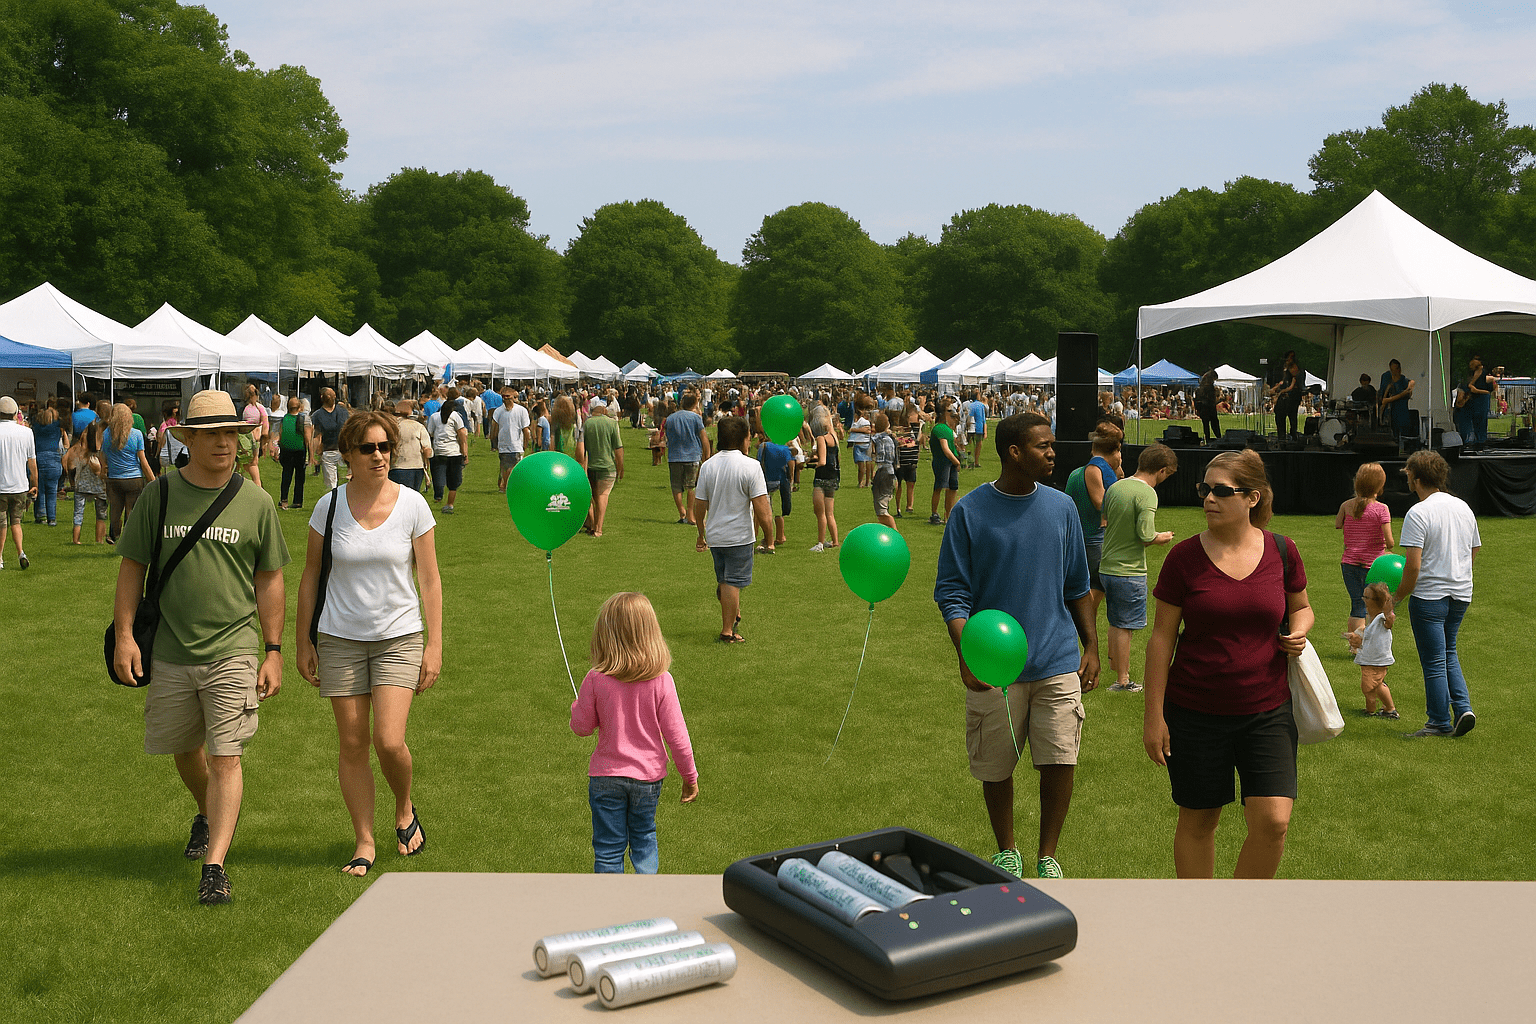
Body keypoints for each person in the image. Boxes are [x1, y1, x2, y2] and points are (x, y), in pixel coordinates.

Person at [111, 390, 289, 905]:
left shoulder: (255, 502)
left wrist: (272, 649)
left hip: (234, 646)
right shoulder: (159, 495)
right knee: (184, 750)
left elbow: (271, 579)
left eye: (231, 433)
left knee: (226, 754)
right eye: (213, 434)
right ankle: (208, 813)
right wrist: (125, 635)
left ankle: (215, 866)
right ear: (187, 438)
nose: (225, 443)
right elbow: (132, 571)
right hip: (168, 649)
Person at [934, 412, 1099, 879]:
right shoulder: (970, 510)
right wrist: (967, 650)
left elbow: (1078, 585)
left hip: (1056, 659)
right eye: (1043, 446)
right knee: (995, 765)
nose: (1052, 453)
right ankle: (1007, 849)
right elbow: (952, 592)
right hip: (994, 664)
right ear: (1014, 452)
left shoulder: (1062, 507)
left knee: (1059, 758)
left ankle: (1048, 856)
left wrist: (1091, 645)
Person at [1142, 450, 1312, 880]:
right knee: (1200, 821)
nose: (1208, 498)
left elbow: (1303, 607)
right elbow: (1161, 640)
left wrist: (1300, 628)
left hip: (1267, 710)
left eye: (1221, 490)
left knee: (1273, 821)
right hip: (1195, 712)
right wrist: (1153, 717)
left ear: (1252, 498)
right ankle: (1202, 918)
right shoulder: (1183, 558)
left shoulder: (1282, 550)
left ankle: (1240, 915)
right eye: (1205, 489)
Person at [296, 411, 443, 876]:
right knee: (353, 743)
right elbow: (311, 575)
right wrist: (301, 641)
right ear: (349, 456)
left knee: (388, 740)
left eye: (385, 447)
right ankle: (363, 840)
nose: (379, 456)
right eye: (368, 449)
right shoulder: (329, 506)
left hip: (399, 636)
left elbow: (431, 580)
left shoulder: (413, 505)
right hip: (339, 638)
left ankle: (404, 806)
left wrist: (433, 646)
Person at [569, 592, 699, 873]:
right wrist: (690, 777)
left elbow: (581, 727)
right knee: (644, 839)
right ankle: (644, 904)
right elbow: (678, 738)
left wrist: (576, 707)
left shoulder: (595, 678)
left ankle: (610, 906)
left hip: (606, 778)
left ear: (605, 635)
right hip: (647, 779)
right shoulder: (662, 681)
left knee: (607, 848)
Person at [1394, 450, 1480, 739]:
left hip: (1429, 596)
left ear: (1416, 478)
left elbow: (1413, 565)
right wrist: (1455, 569)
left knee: (1433, 661)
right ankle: (1463, 708)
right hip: (1460, 593)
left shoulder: (1418, 512)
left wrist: (1396, 598)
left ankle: (1439, 722)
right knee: (1448, 652)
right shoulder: (1463, 507)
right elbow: (1474, 549)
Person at [1098, 444, 1178, 692]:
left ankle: (1115, 667)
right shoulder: (1147, 494)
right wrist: (1161, 537)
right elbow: (1144, 535)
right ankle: (1122, 680)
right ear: (1162, 470)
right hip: (1128, 570)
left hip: (1107, 566)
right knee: (1125, 626)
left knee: (1115, 621)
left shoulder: (1116, 486)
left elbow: (1104, 519)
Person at [694, 415, 773, 644]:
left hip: (716, 536)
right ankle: (727, 631)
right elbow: (762, 507)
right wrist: (769, 537)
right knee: (732, 581)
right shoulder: (751, 466)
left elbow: (699, 506)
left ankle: (732, 607)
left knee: (726, 580)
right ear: (744, 438)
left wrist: (701, 533)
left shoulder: (708, 466)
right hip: (739, 536)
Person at [1064, 422, 1123, 623]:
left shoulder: (1078, 471)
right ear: (1117, 448)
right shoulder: (1096, 469)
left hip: (1080, 540)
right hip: (1094, 540)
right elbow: (1101, 503)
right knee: (1094, 590)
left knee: (1090, 589)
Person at [1335, 462, 1393, 639]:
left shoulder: (1346, 505)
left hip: (1349, 564)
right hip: (1372, 565)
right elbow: (1390, 542)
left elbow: (1338, 524)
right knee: (1375, 604)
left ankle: (1354, 642)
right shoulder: (1381, 509)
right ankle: (1366, 640)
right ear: (1380, 485)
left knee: (1357, 604)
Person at [103, 403, 154, 545]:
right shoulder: (136, 434)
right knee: (131, 509)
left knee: (115, 508)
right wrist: (152, 479)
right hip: (134, 478)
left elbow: (103, 459)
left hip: (114, 478)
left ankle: (114, 533)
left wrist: (103, 475)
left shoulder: (106, 434)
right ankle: (128, 537)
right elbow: (143, 461)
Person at [1346, 584, 1398, 719]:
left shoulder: (1382, 619)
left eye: (1367, 597)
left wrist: (1388, 609)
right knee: (1377, 685)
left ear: (1377, 601)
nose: (1363, 599)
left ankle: (1371, 710)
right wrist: (1357, 640)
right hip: (1371, 659)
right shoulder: (1373, 619)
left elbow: (1389, 621)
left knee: (1368, 687)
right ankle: (1389, 709)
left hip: (1376, 661)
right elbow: (1372, 639)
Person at [0, 396, 39, 569]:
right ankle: (20, 552)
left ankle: (0, 557)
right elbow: (32, 462)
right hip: (19, 485)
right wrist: (34, 483)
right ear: (15, 413)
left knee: (2, 523)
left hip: (1, 486)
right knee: (16, 521)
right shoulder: (26, 432)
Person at [665, 393, 709, 525]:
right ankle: (691, 513)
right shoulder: (695, 418)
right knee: (691, 486)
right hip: (692, 455)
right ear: (695, 404)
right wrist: (707, 455)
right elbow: (703, 438)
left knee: (676, 486)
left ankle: (681, 511)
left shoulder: (670, 418)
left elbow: (668, 437)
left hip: (674, 456)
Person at [582, 401, 623, 537]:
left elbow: (582, 448)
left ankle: (593, 525)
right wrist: (620, 466)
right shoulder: (612, 423)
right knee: (603, 495)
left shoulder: (587, 424)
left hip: (592, 466)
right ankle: (598, 529)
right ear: (604, 410)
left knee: (593, 497)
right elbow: (618, 448)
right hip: (608, 466)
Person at [64, 420, 109, 545]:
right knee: (101, 514)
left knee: (78, 514)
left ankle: (76, 539)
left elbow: (72, 464)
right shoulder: (102, 451)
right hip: (99, 486)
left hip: (82, 485)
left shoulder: (82, 451)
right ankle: (99, 540)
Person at [427, 387, 469, 514]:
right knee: (453, 482)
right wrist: (465, 453)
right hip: (454, 452)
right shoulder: (455, 416)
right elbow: (462, 434)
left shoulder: (434, 417)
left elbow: (430, 433)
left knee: (438, 476)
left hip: (439, 451)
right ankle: (450, 504)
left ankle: (438, 495)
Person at [808, 406, 841, 552]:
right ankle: (834, 541)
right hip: (833, 477)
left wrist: (808, 464)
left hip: (821, 478)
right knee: (830, 513)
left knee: (820, 513)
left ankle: (820, 543)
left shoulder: (821, 438)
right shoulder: (833, 436)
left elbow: (822, 461)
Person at [29, 398, 66, 527]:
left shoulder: (36, 427)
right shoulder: (56, 426)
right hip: (54, 459)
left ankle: (40, 515)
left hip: (38, 457)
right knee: (52, 490)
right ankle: (52, 518)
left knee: (39, 489)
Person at [756, 431, 792, 552]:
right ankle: (780, 536)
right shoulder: (784, 448)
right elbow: (790, 464)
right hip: (780, 482)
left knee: (764, 513)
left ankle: (766, 539)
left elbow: (758, 462)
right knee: (778, 511)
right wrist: (791, 479)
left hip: (765, 482)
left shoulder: (763, 446)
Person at [276, 396, 313, 511]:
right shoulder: (304, 419)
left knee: (286, 475)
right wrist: (311, 455)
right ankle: (297, 501)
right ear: (300, 407)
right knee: (299, 477)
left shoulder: (284, 418)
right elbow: (308, 438)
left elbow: (281, 435)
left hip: (286, 451)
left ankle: (284, 500)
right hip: (299, 451)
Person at [491, 387, 531, 493]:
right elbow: (494, 429)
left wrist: (526, 443)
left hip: (516, 443)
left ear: (514, 397)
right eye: (504, 398)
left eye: (507, 398)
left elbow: (526, 430)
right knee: (507, 465)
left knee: (509, 466)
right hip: (505, 443)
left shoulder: (521, 410)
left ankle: (506, 485)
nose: (506, 400)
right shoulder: (499, 411)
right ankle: (507, 486)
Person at [311, 388, 350, 492]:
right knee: (348, 484)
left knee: (332, 486)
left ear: (321, 398)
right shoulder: (343, 412)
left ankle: (334, 502)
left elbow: (317, 437)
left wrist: (311, 456)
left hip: (330, 451)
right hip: (344, 451)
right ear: (335, 397)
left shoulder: (317, 415)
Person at [928, 405, 961, 525]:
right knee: (940, 487)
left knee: (952, 488)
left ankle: (948, 515)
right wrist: (956, 461)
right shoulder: (940, 428)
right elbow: (945, 449)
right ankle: (935, 514)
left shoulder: (947, 429)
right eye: (949, 411)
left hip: (950, 460)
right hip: (944, 461)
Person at [870, 411, 897, 529]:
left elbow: (874, 453)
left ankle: (896, 535)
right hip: (890, 472)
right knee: (881, 509)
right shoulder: (890, 439)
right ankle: (888, 534)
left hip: (883, 473)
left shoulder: (879, 439)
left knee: (882, 511)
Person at [1379, 359, 1416, 439]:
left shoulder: (1404, 381)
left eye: (1395, 369)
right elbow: (1383, 398)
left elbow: (1409, 390)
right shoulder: (1387, 379)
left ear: (1399, 369)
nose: (1393, 372)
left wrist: (1390, 399)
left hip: (1402, 412)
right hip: (1390, 413)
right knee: (1392, 434)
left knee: (1403, 434)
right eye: (1392, 370)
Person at [895, 407, 921, 517]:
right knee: (898, 485)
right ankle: (898, 507)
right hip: (901, 462)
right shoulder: (898, 429)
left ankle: (909, 505)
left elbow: (918, 440)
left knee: (911, 484)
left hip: (911, 462)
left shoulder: (917, 428)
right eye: (915, 415)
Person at [1195, 370, 1221, 443]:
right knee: (1214, 424)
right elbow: (1212, 400)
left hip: (1203, 409)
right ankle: (1218, 438)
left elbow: (1197, 399)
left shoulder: (1200, 388)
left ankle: (1208, 439)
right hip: (1210, 408)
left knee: (1206, 425)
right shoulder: (1210, 388)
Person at [967, 391, 988, 470]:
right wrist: (985, 431)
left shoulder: (969, 405)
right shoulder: (980, 405)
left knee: (969, 444)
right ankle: (976, 461)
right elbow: (983, 419)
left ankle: (968, 460)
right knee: (978, 445)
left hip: (970, 427)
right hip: (979, 427)